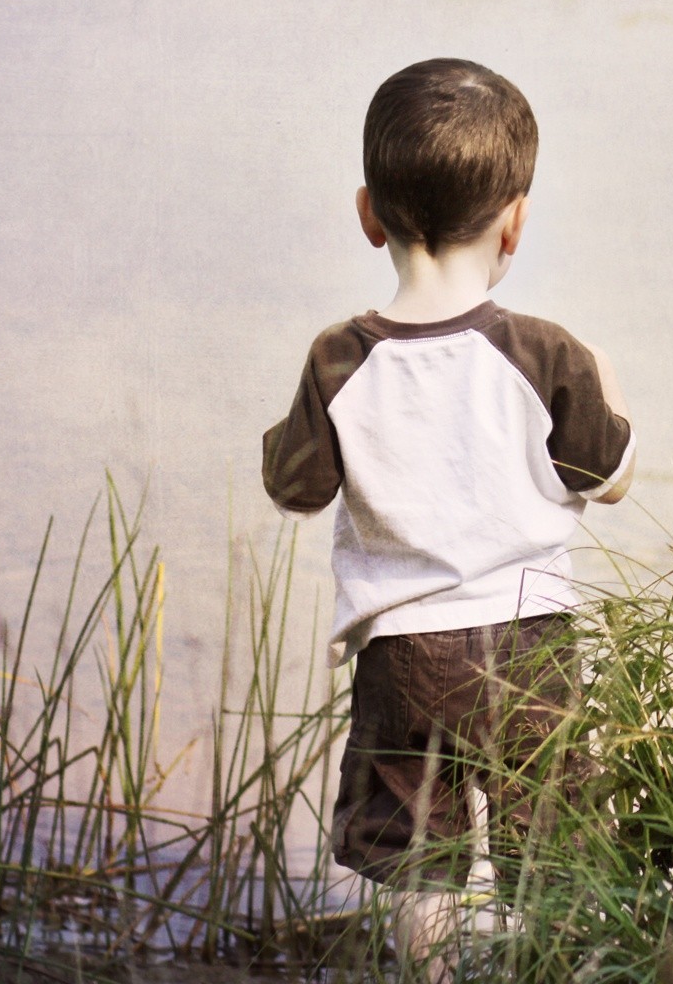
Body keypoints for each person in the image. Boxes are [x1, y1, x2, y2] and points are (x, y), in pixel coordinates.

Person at [262, 58, 634, 976]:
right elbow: (612, 475)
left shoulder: (339, 361)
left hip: (403, 654)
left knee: (420, 856)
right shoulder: (545, 352)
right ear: (516, 220)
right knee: (543, 843)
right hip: (528, 641)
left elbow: (294, 488)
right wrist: (611, 389)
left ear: (368, 214)